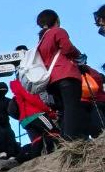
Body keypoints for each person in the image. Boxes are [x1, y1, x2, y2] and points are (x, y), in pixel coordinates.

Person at [36, 9, 90, 140]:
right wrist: (79, 56)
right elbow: (67, 48)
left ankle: (66, 137)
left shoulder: (40, 40)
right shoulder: (58, 31)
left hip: (51, 80)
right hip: (66, 75)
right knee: (73, 106)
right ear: (56, 20)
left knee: (64, 109)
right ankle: (72, 137)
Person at [0, 82, 19, 159]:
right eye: (2, 89)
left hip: (5, 122)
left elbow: (11, 111)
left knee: (10, 135)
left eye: (5, 90)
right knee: (0, 135)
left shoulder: (7, 100)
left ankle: (11, 154)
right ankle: (2, 152)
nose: (3, 91)